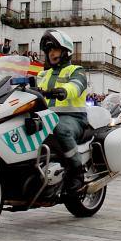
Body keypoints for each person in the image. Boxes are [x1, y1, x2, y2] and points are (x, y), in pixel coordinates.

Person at [36, 29, 89, 193]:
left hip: (72, 118)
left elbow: (77, 85)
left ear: (66, 51)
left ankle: (77, 173)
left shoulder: (76, 70)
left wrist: (65, 90)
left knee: (61, 129)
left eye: (55, 49)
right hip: (45, 117)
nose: (52, 54)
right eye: (49, 50)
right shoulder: (43, 74)